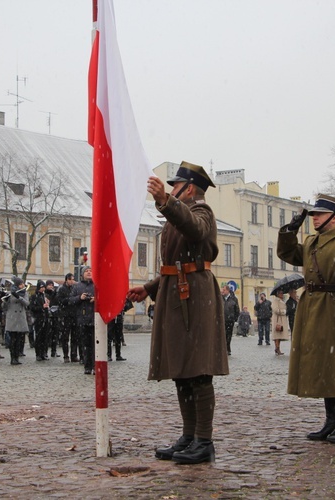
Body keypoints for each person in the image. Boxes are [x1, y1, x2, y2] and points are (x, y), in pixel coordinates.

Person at [127, 162, 228, 464]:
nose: (171, 191)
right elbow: (176, 264)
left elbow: (194, 231)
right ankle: (188, 436)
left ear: (190, 188)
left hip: (196, 296)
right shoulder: (175, 215)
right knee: (181, 372)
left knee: (198, 371)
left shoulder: (202, 212)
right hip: (175, 294)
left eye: (176, 186)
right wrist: (150, 288)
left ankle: (204, 440)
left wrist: (165, 202)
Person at [277, 193, 335, 443]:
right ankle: (330, 421)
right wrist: (289, 231)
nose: (314, 218)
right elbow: (288, 255)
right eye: (313, 214)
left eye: (319, 214)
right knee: (326, 366)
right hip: (313, 310)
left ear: (334, 217)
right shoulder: (311, 242)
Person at [69, 266, 95, 375]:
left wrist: (96, 299)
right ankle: (87, 366)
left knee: (95, 344)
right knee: (85, 344)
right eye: (86, 271)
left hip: (94, 319)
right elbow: (70, 301)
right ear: (82, 274)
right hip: (82, 319)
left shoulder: (96, 285)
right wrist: (80, 298)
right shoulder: (77, 286)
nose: (89, 273)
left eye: (90, 271)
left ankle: (95, 365)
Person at [2, 277, 30, 365]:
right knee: (12, 340)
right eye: (21, 284)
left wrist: (19, 297)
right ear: (17, 285)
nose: (23, 286)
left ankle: (17, 357)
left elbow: (27, 303)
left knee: (19, 340)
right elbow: (4, 307)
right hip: (12, 318)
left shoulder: (25, 293)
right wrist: (5, 301)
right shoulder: (10, 293)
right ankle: (12, 357)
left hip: (20, 318)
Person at [57, 273, 78, 362]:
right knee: (65, 337)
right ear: (66, 280)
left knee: (75, 337)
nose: (71, 281)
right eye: (70, 279)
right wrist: (69, 300)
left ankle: (74, 355)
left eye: (72, 279)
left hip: (74, 315)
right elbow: (60, 301)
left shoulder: (74, 288)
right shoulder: (61, 289)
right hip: (65, 315)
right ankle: (66, 355)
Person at [221, 285, 240, 356]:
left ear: (228, 291)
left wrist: (234, 318)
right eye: (222, 290)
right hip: (221, 320)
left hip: (230, 320)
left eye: (224, 290)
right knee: (222, 335)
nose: (222, 292)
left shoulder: (234, 299)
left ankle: (228, 348)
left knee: (228, 335)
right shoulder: (220, 298)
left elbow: (237, 310)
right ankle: (223, 349)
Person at [270, 288, 288, 355]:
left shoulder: (281, 300)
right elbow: (275, 309)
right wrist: (283, 311)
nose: (282, 294)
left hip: (281, 319)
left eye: (282, 293)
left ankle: (278, 348)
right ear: (277, 294)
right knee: (277, 335)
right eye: (281, 293)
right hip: (277, 319)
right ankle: (277, 348)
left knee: (279, 335)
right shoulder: (275, 301)